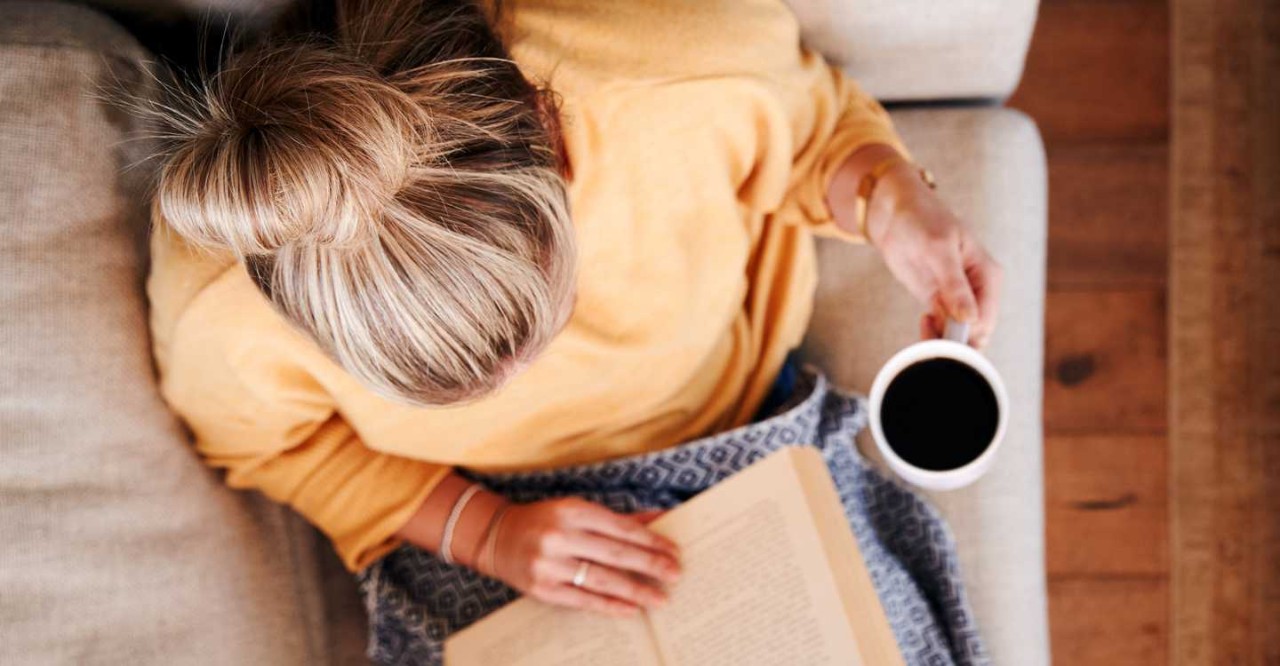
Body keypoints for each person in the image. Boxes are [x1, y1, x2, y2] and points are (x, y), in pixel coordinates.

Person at [146, 0, 1000, 662]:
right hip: (482, 522)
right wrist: (486, 532)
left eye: (542, 325)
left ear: (548, 132)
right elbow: (268, 447)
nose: (521, 380)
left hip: (741, 439)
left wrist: (889, 196)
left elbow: (812, 134)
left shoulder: (676, 63)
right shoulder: (224, 291)